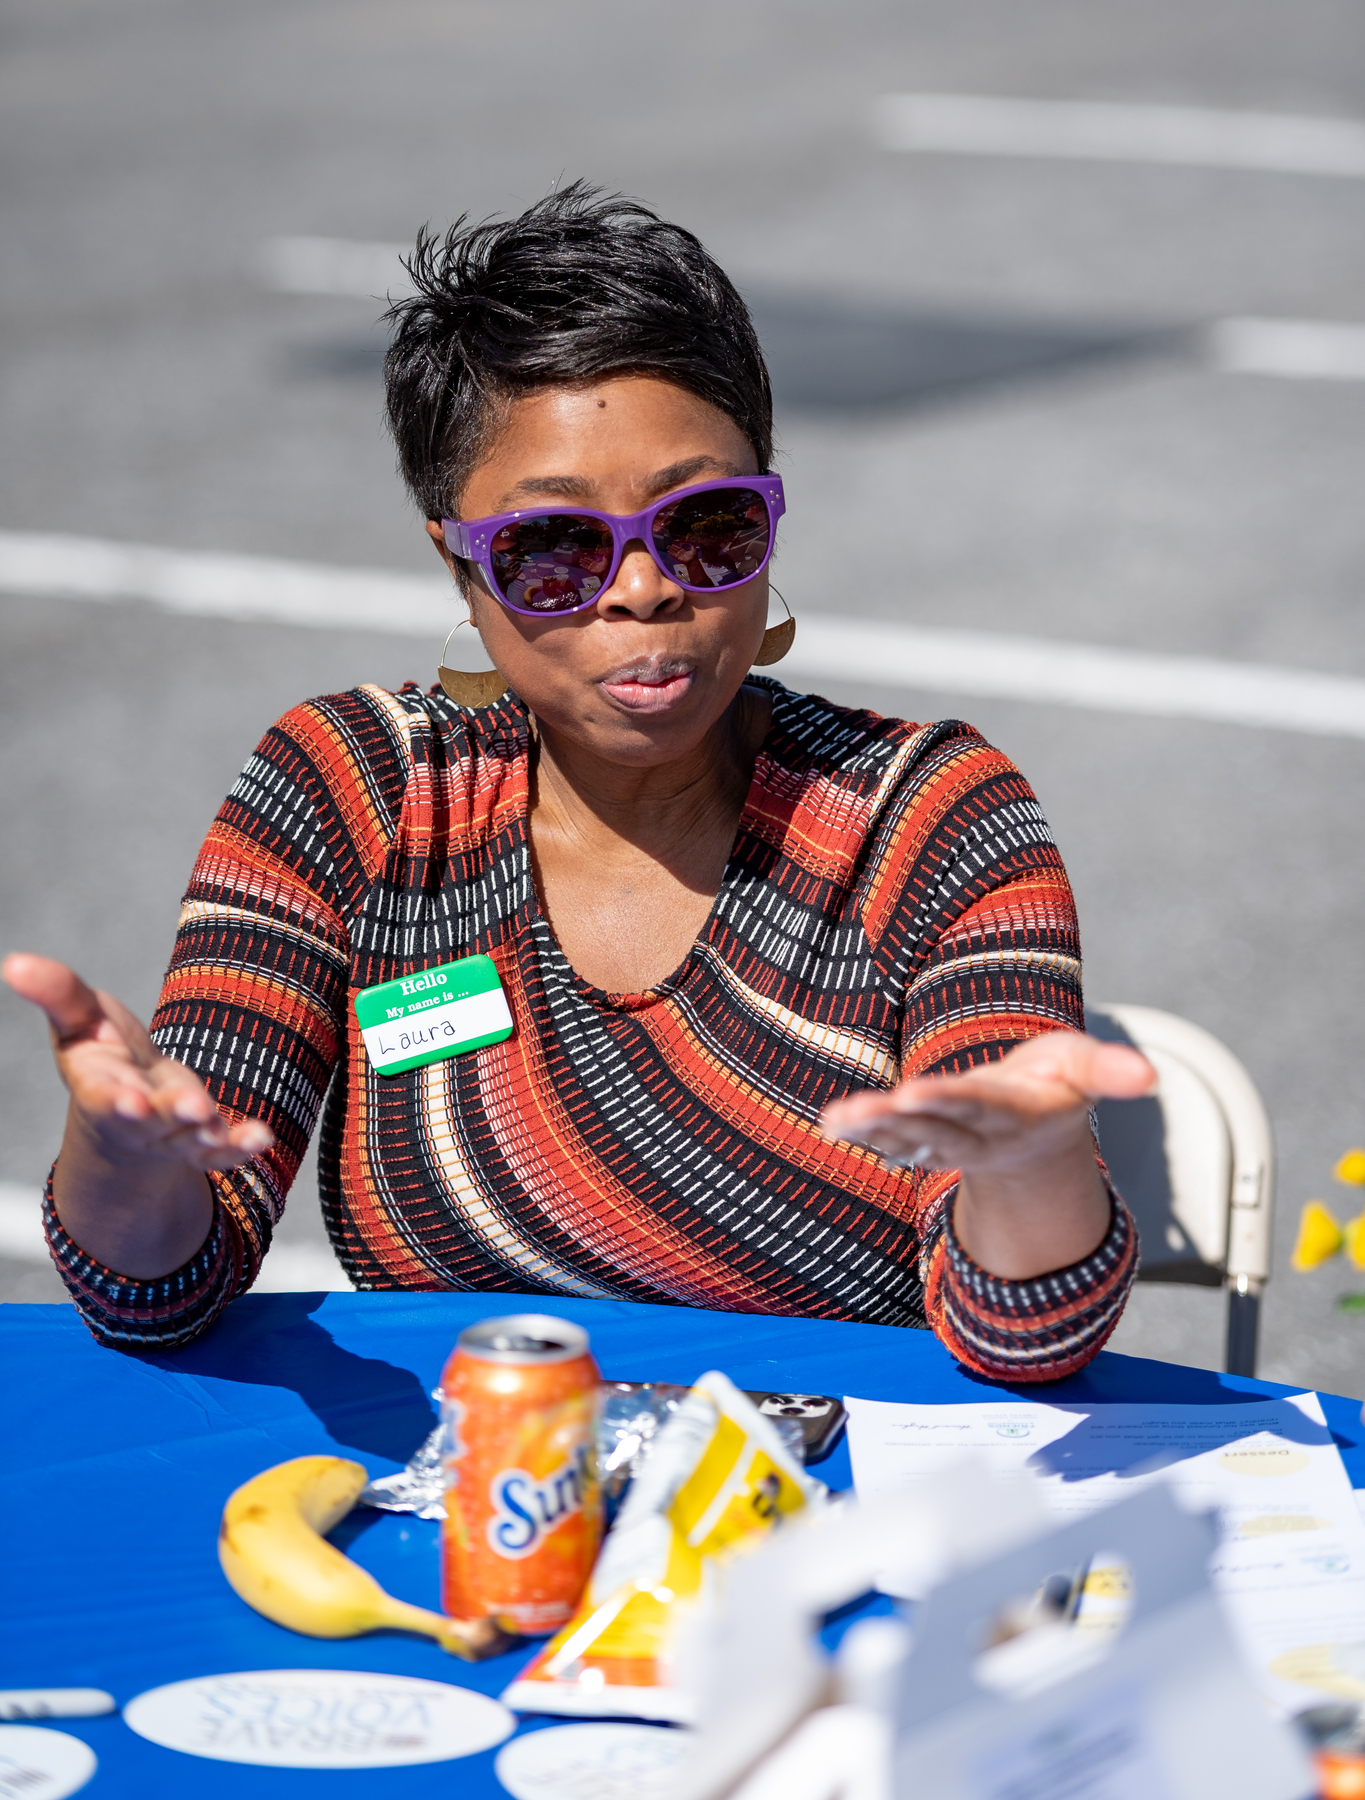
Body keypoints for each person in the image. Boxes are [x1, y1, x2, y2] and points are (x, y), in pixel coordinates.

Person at [4, 186, 1153, 1376]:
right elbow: (154, 1294)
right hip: (483, 1506)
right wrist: (124, 1164)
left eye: (707, 524)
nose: (644, 586)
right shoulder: (355, 789)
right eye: (553, 547)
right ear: (459, 568)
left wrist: (1029, 1172)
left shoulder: (928, 815)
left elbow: (1028, 1337)